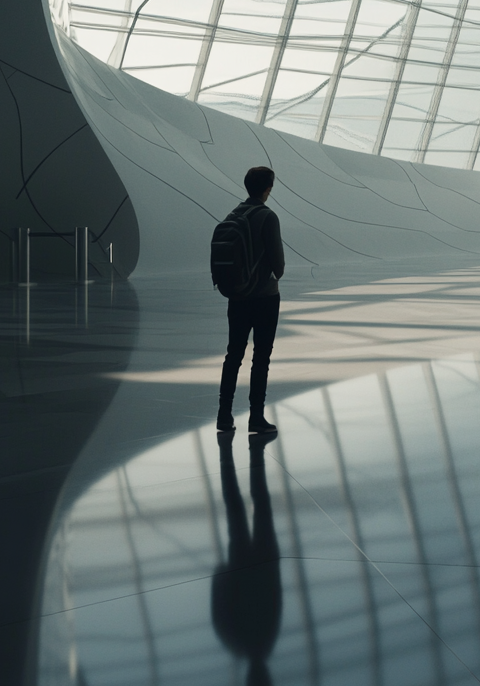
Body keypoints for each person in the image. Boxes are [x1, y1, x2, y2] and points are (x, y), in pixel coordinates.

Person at [216, 166, 285, 434]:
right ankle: (256, 416)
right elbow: (278, 267)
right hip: (265, 296)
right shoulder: (268, 217)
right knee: (261, 357)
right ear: (268, 189)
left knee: (233, 354)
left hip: (237, 295)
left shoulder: (234, 214)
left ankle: (224, 414)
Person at [212, 433, 283, 686]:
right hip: (245, 568)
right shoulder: (238, 642)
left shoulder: (261, 643)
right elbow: (220, 609)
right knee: (237, 508)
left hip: (258, 565)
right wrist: (221, 575)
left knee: (257, 506)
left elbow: (274, 598)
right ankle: (228, 449)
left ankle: (250, 450)